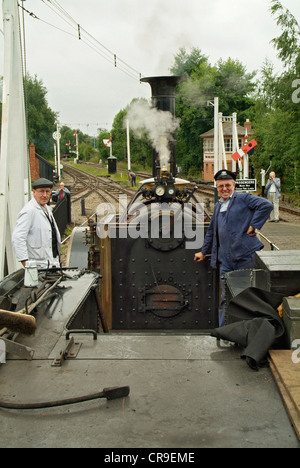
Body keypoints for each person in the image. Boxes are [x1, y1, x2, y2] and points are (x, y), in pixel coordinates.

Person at [194, 169, 273, 327]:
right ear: (216, 187)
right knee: (226, 297)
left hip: (245, 256)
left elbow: (266, 205)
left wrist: (253, 226)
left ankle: (245, 332)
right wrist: (203, 251)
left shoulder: (243, 198)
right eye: (221, 186)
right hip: (225, 260)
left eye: (227, 185)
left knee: (245, 295)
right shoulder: (217, 206)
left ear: (234, 185)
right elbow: (211, 231)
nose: (224, 188)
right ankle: (225, 331)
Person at [12, 178, 61, 269]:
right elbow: (18, 237)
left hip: (52, 264)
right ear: (34, 192)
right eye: (41, 192)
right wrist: (26, 263)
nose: (45, 195)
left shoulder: (47, 209)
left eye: (47, 191)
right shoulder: (29, 211)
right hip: (38, 266)